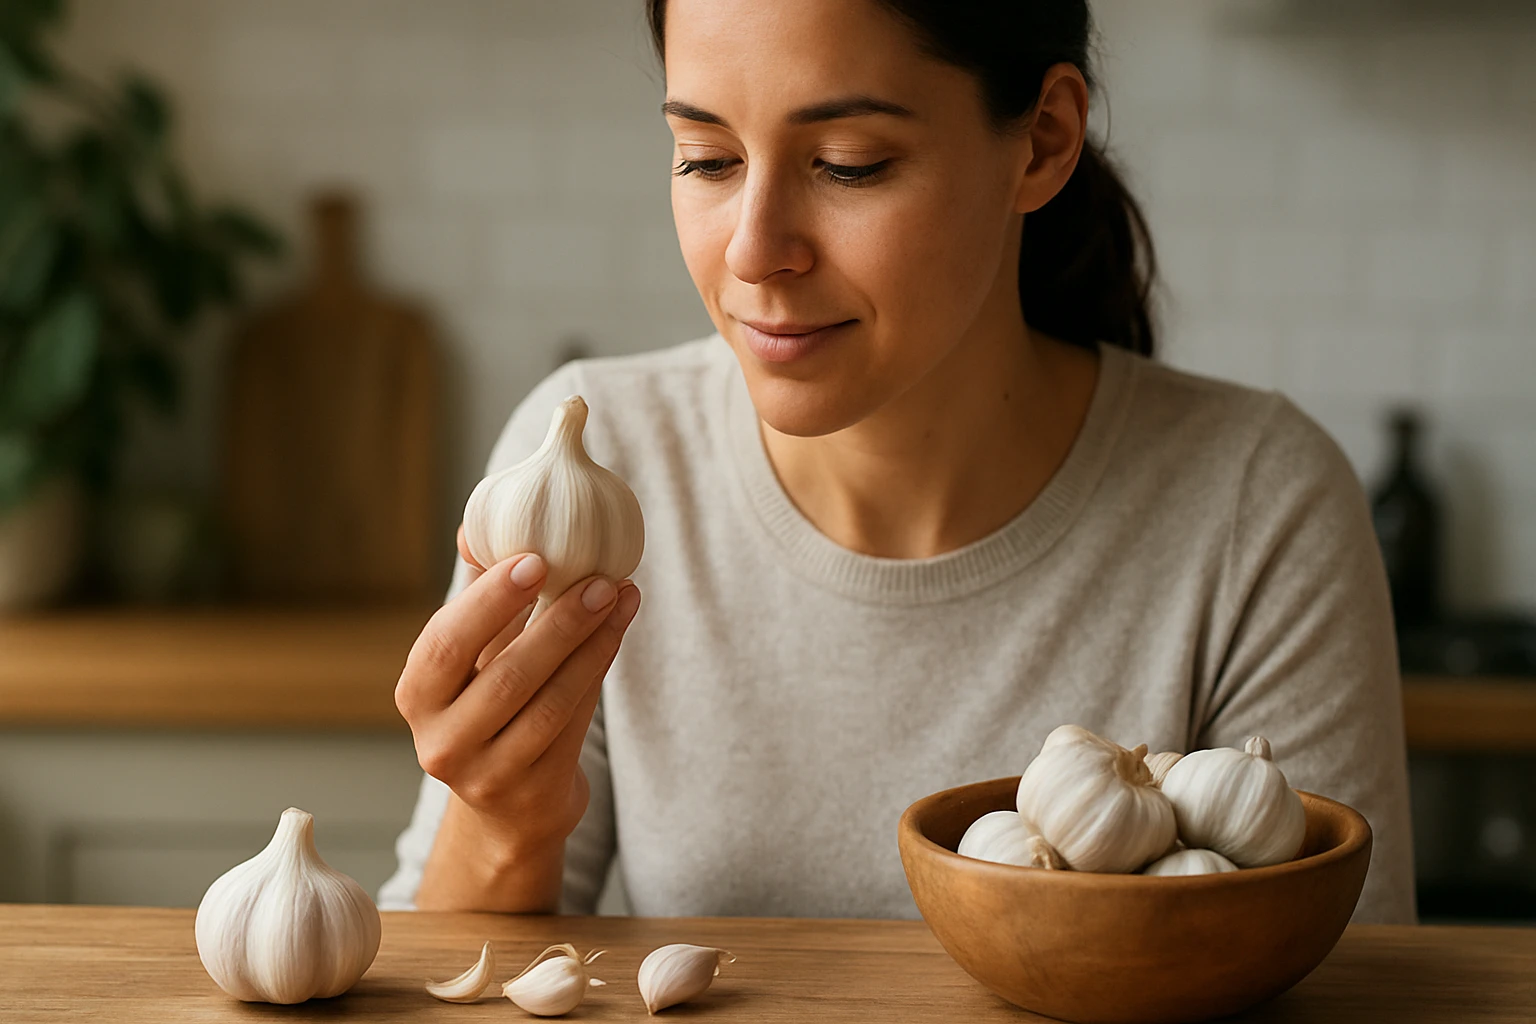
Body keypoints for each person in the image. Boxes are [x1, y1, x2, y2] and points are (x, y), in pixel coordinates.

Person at [379, 0, 1416, 924]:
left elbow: (1348, 986)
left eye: (848, 164)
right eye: (707, 158)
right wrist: (504, 817)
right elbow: (461, 979)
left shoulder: (1258, 504)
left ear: (1043, 141)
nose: (752, 250)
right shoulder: (603, 451)